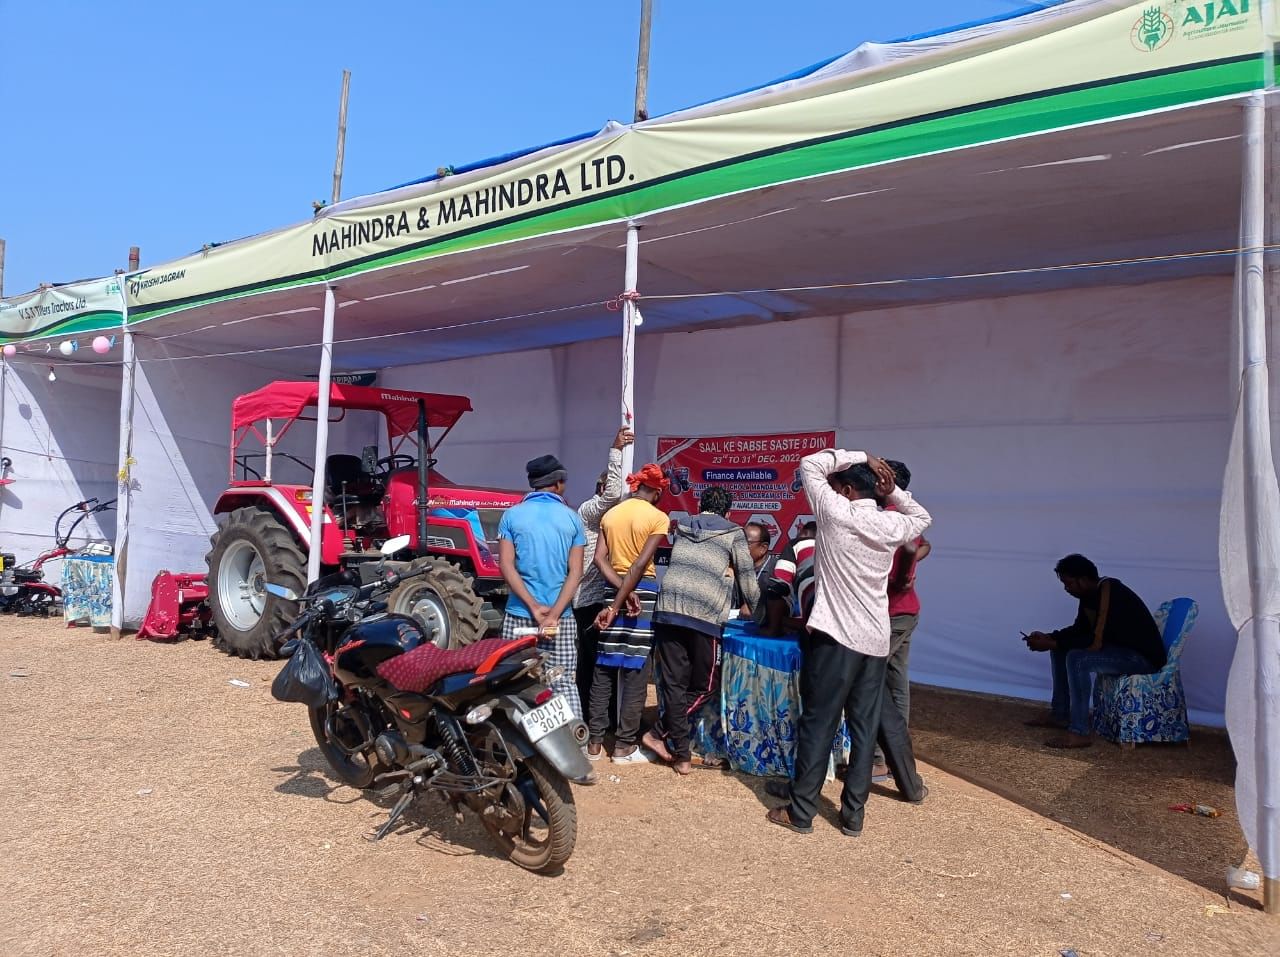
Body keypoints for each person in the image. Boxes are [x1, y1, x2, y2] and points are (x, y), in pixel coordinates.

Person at [766, 450, 931, 836]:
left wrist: (864, 457)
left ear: (850, 489)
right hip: (874, 638)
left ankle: (802, 812)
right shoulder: (891, 524)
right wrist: (893, 494)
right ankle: (853, 815)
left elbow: (810, 464)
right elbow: (923, 518)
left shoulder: (835, 514)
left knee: (819, 723)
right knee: (864, 726)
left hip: (835, 636)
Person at [642, 485, 761, 775]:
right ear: (728, 512)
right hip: (704, 615)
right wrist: (760, 613)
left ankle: (680, 755)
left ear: (700, 505)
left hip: (668, 608)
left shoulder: (682, 526)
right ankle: (658, 733)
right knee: (707, 684)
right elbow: (746, 577)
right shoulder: (733, 533)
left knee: (674, 684)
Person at [1023, 554, 1165, 749]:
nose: (1066, 589)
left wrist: (1053, 643)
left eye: (1069, 583)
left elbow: (1096, 639)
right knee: (1061, 651)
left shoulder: (1110, 593)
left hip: (1141, 658)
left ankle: (1079, 732)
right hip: (1120, 652)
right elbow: (1081, 629)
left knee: (1077, 658)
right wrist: (1050, 638)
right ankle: (1060, 715)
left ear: (1083, 579)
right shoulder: (1089, 596)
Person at [587, 464, 671, 763]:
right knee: (635, 668)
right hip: (641, 592)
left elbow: (599, 559)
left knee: (605, 666)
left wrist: (616, 597)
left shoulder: (611, 514)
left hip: (612, 587)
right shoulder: (658, 518)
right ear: (657, 491)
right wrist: (628, 594)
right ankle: (623, 745)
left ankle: (595, 743)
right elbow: (638, 566)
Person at [497, 454, 587, 724]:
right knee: (562, 682)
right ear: (558, 483)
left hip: (519, 615)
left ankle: (521, 748)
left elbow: (506, 565)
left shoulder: (511, 516)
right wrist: (553, 614)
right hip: (561, 619)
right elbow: (576, 572)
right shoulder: (572, 519)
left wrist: (534, 608)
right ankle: (574, 747)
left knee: (513, 682)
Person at [872, 460, 931, 779]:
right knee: (896, 684)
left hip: (892, 613)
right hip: (905, 611)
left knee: (871, 683)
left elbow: (914, 550)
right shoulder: (911, 517)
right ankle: (897, 757)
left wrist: (901, 578)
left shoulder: (884, 521)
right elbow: (923, 546)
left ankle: (881, 757)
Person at [573, 427, 634, 705]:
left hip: (609, 599)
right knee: (591, 662)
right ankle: (589, 716)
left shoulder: (617, 522)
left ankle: (607, 716)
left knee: (609, 661)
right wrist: (616, 450)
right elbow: (611, 495)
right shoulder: (588, 512)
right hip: (587, 599)